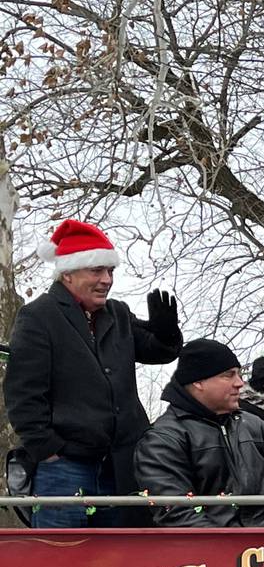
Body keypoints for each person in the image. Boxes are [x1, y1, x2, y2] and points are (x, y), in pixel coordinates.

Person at [4, 219, 182, 526]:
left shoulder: (118, 314)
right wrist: (48, 449)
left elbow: (157, 352)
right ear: (69, 273)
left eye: (110, 271)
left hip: (123, 465)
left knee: (123, 564)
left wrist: (167, 333)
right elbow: (23, 393)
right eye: (96, 270)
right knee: (65, 561)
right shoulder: (39, 317)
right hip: (65, 466)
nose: (106, 280)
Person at [132, 340, 264, 527]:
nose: (240, 383)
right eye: (229, 375)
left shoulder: (254, 425)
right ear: (198, 381)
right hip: (206, 551)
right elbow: (175, 512)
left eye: (239, 374)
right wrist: (227, 548)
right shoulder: (162, 439)